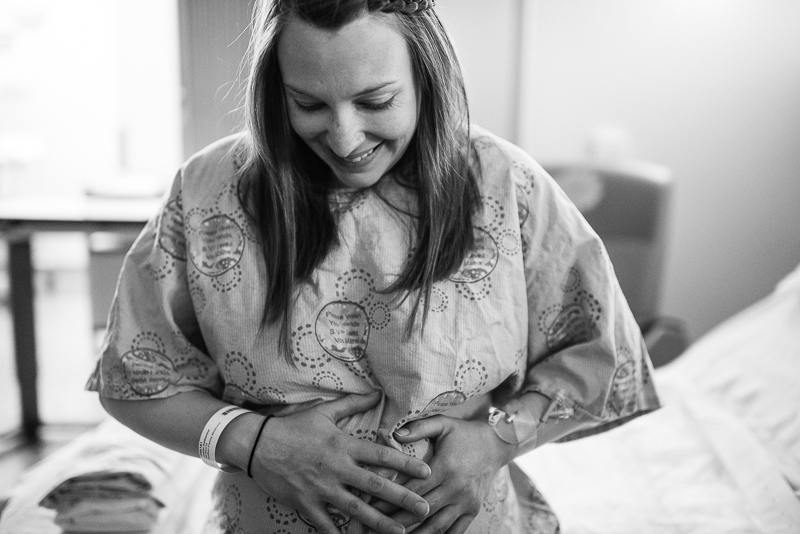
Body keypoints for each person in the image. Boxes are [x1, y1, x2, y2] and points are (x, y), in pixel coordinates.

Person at [87, 0, 660, 533]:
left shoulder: (506, 184)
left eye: (375, 101)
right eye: (308, 104)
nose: (344, 137)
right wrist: (253, 442)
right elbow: (136, 380)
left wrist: (497, 440)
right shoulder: (210, 191)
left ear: (425, 79)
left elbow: (601, 359)